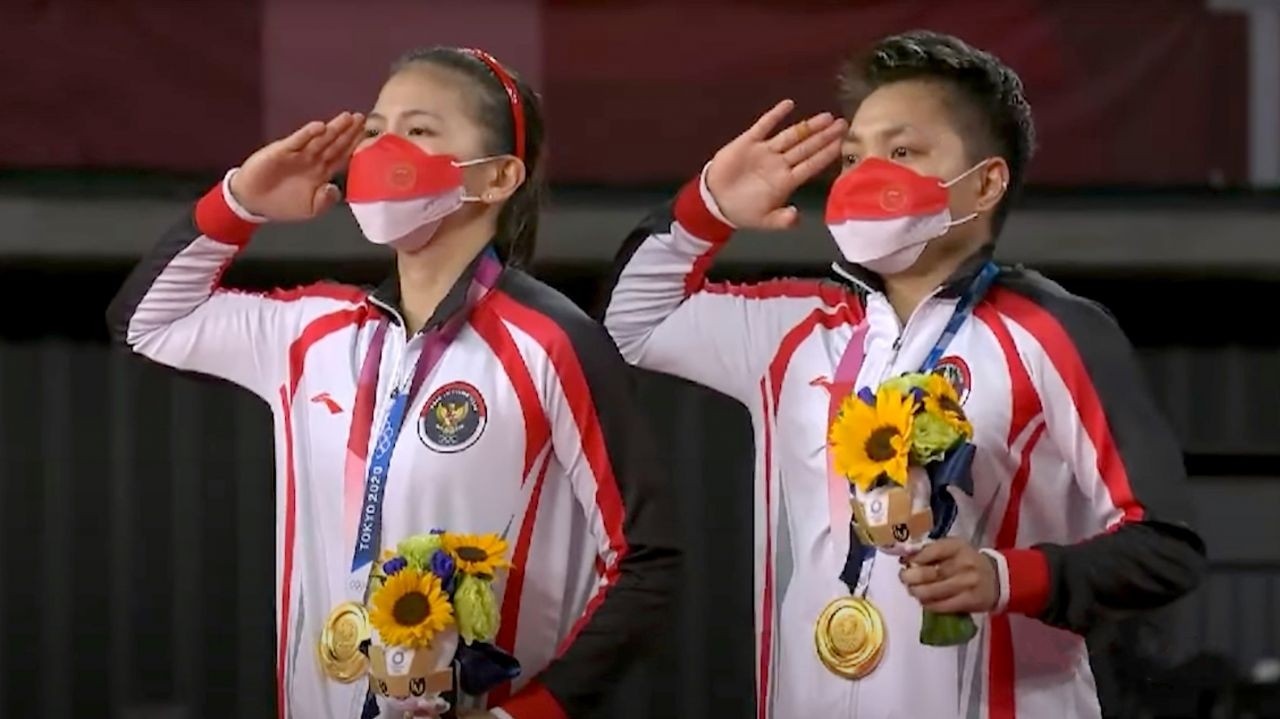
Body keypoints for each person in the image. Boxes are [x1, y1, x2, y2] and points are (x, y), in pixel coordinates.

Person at [600, 30, 1205, 718]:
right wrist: (706, 209)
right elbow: (630, 324)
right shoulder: (796, 328)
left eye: (902, 151)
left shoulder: (1054, 330)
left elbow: (1163, 545)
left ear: (983, 182)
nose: (862, 175)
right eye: (852, 157)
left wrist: (1007, 576)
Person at [107, 46, 678, 719]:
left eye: (420, 130)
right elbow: (146, 321)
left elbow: (647, 558)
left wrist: (525, 714)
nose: (382, 150)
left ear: (497, 178)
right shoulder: (313, 331)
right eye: (375, 130)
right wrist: (240, 203)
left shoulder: (552, 341)